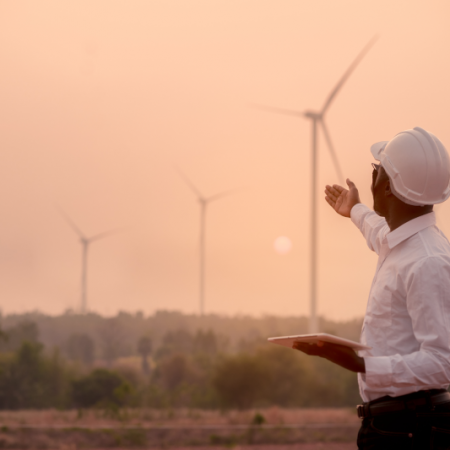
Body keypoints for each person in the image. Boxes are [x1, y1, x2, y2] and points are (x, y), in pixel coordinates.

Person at [293, 127, 450, 449]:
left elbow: (442, 362)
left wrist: (360, 363)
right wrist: (355, 209)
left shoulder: (427, 261)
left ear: (389, 187)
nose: (373, 174)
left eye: (377, 170)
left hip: (410, 430)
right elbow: (381, 234)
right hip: (401, 424)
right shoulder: (405, 243)